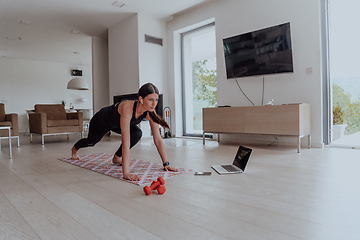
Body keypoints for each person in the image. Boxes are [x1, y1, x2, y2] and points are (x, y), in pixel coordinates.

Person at [71, 83, 178, 181]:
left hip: (117, 124)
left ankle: (117, 158)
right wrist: (126, 173)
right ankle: (75, 148)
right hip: (101, 121)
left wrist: (166, 163)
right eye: (150, 100)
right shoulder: (128, 109)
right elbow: (125, 143)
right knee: (91, 142)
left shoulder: (150, 111)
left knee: (137, 133)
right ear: (141, 99)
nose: (154, 103)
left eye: (156, 100)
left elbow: (158, 139)